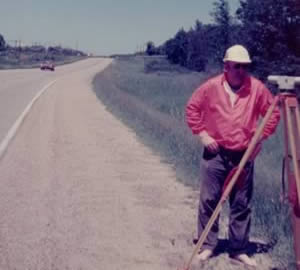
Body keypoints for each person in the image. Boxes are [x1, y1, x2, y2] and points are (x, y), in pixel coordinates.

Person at [185, 44, 280, 267]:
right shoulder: (210, 87)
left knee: (241, 203)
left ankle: (238, 249)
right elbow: (192, 108)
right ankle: (208, 246)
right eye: (236, 66)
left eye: (245, 67)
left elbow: (273, 113)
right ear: (226, 66)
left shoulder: (256, 88)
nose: (241, 71)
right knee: (210, 199)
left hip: (244, 154)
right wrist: (203, 135)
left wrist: (260, 136)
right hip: (215, 153)